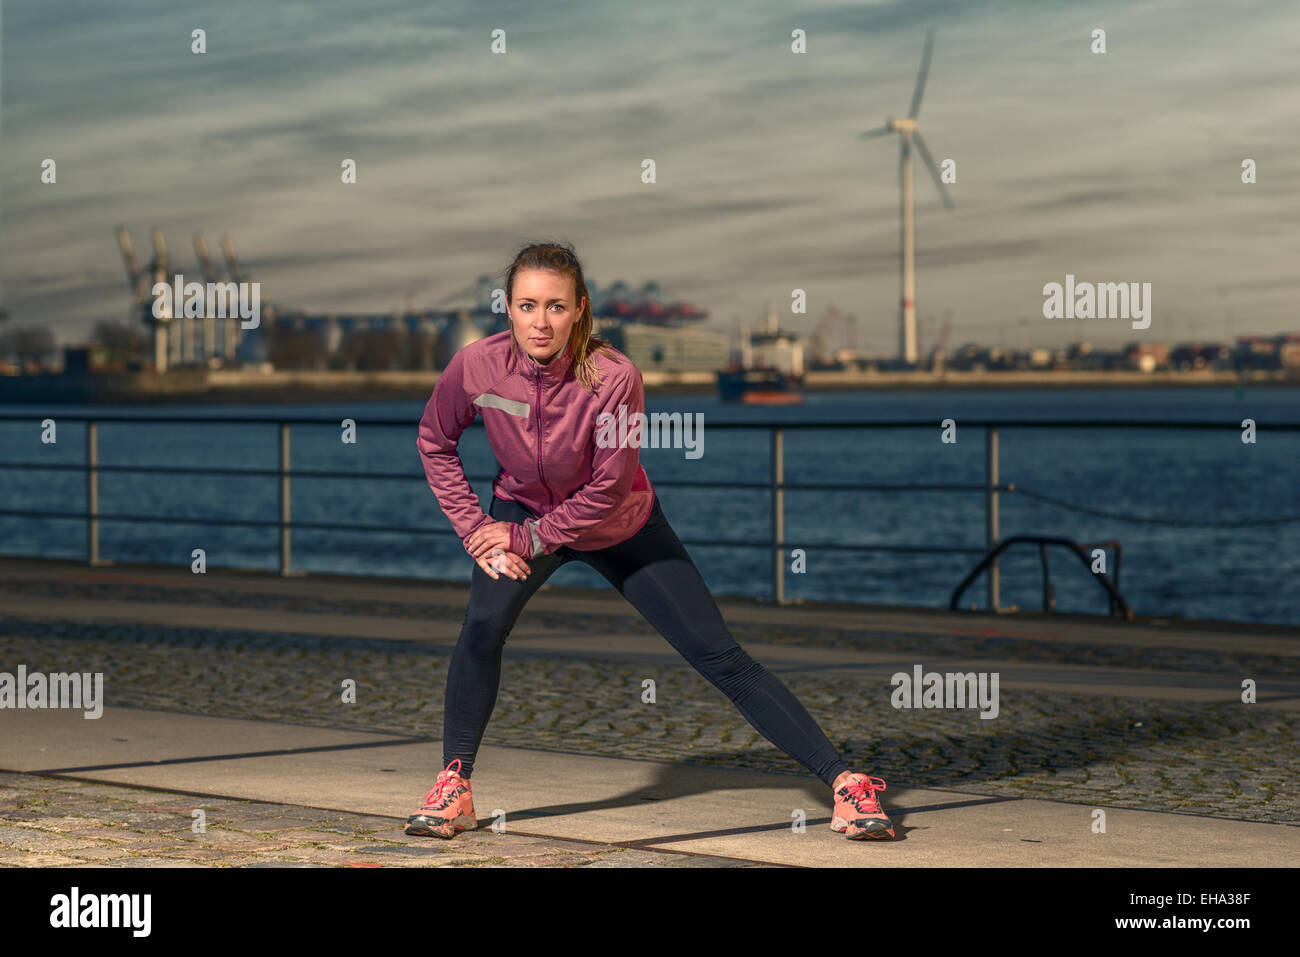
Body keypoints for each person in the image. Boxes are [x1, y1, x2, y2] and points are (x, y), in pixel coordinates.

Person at [411, 241, 893, 841]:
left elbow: (609, 487)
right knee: (481, 629)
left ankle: (846, 785)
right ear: (506, 307)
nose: (541, 321)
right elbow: (435, 440)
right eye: (527, 305)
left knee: (718, 655)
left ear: (580, 310)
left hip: (619, 523)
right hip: (520, 515)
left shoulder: (615, 376)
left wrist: (526, 538)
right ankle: (454, 787)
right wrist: (477, 532)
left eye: (556, 307)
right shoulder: (475, 366)